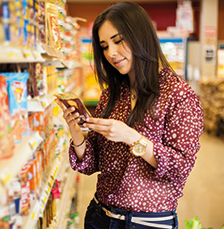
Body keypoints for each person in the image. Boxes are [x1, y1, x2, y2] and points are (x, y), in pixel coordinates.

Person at [55, 2, 204, 229]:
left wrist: (132, 137)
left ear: (140, 35)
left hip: (147, 223)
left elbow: (180, 167)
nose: (111, 53)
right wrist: (77, 131)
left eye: (118, 40)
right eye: (104, 46)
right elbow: (91, 164)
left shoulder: (179, 95)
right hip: (99, 217)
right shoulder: (112, 94)